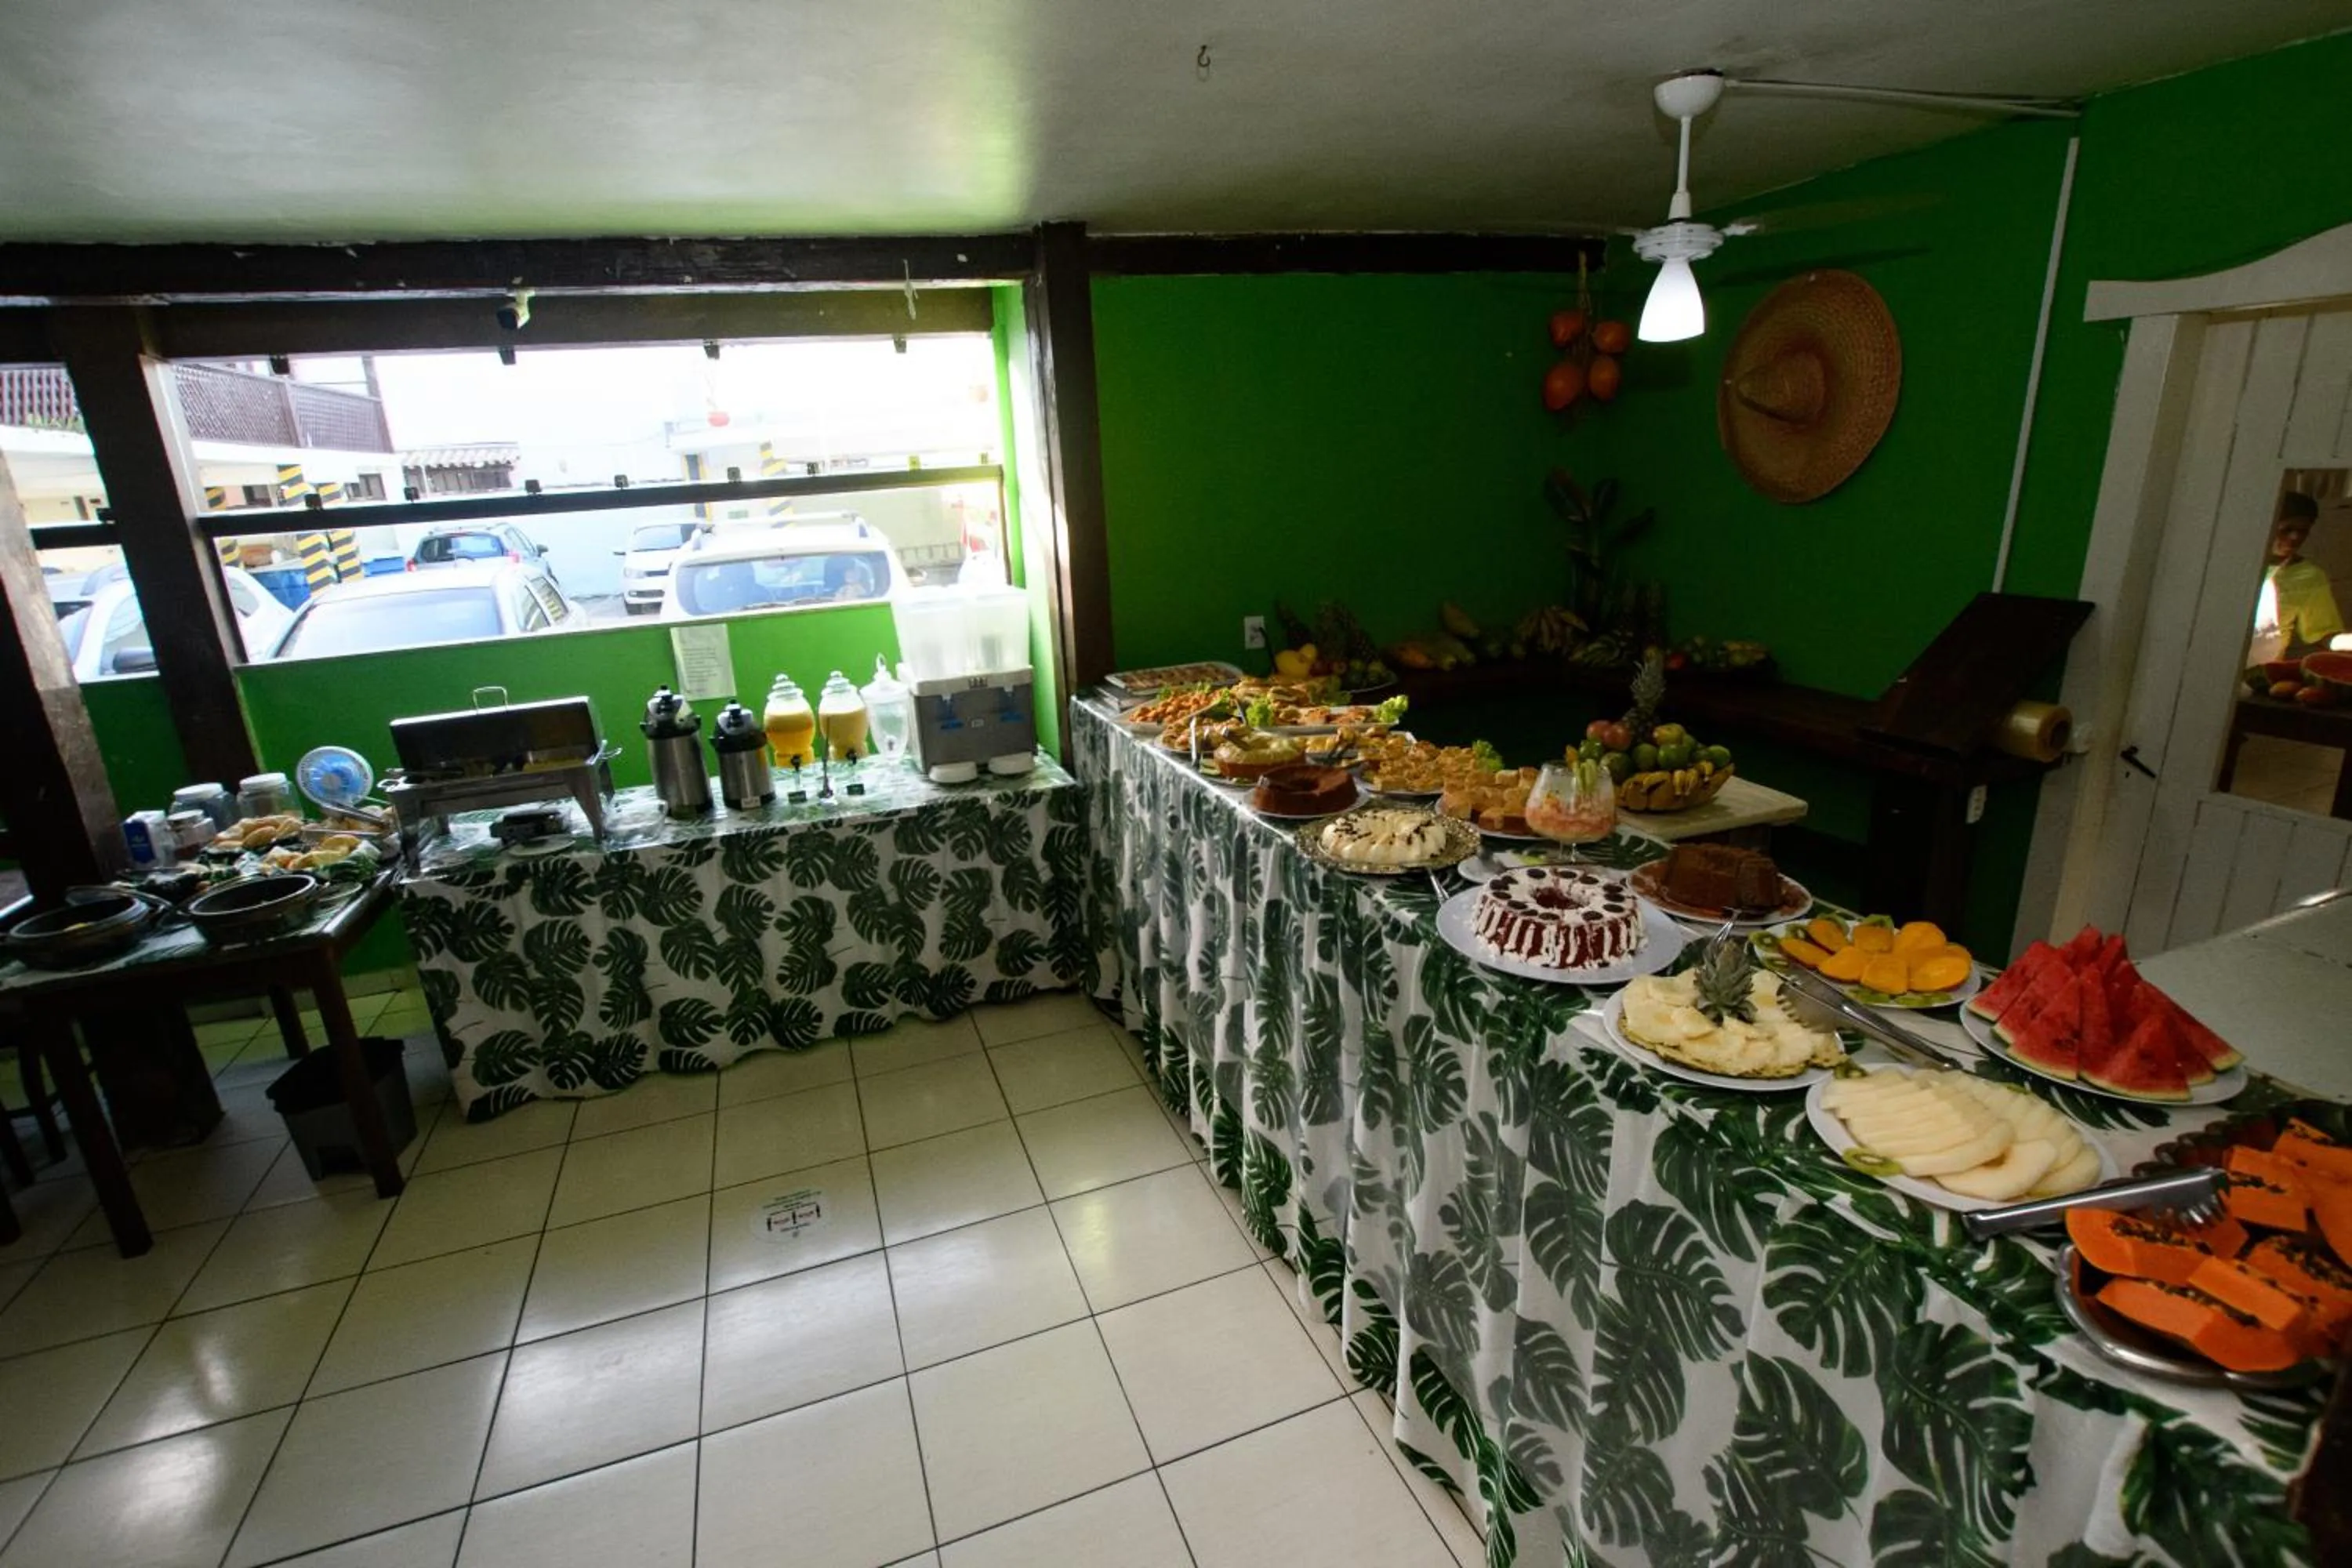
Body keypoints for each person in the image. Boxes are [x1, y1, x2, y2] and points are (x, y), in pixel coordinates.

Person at [2250, 492, 2344, 666]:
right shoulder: (2231, 566)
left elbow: (2324, 634)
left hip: (2264, 676)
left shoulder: (2309, 576)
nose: (2295, 537)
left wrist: (2347, 642)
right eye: (2286, 529)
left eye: (2303, 531)